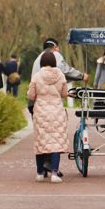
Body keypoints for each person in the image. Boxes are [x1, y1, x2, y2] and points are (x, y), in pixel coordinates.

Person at [27, 49, 69, 183]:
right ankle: (55, 174)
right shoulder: (61, 75)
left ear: (41, 62)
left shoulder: (37, 76)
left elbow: (31, 95)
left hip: (41, 112)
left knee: (41, 141)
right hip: (57, 111)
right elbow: (64, 93)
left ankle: (40, 173)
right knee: (55, 142)